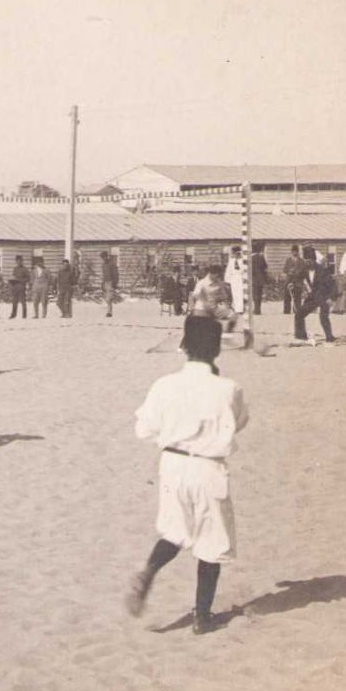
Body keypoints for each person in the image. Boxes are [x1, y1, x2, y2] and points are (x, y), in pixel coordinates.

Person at [125, 316, 247, 636]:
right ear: (216, 350)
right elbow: (239, 422)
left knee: (175, 529)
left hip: (173, 463)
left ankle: (150, 569)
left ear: (184, 346)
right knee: (212, 539)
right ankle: (201, 617)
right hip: (208, 466)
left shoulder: (164, 385)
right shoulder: (229, 388)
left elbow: (144, 429)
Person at [293, 246, 335, 344]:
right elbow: (297, 277)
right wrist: (294, 284)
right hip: (312, 297)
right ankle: (301, 336)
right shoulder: (305, 268)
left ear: (314, 260)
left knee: (323, 317)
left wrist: (331, 298)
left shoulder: (322, 270)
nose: (307, 263)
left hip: (324, 296)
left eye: (309, 261)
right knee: (299, 314)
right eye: (305, 261)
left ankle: (329, 337)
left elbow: (332, 285)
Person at [224, 247, 247, 317]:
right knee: (234, 293)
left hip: (240, 278)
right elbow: (228, 270)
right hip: (233, 278)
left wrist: (245, 278)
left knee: (240, 293)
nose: (236, 255)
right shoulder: (231, 261)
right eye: (234, 254)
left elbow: (245, 270)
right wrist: (227, 280)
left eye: (237, 254)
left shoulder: (243, 261)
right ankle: (236, 309)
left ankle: (240, 309)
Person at [281, 245, 304, 315]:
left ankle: (297, 310)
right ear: (291, 252)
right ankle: (286, 310)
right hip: (289, 280)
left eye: (296, 251)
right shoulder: (288, 260)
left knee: (297, 296)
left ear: (298, 252)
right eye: (293, 251)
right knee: (287, 296)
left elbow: (303, 270)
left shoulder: (301, 261)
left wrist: (297, 272)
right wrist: (289, 271)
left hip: (298, 281)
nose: (294, 253)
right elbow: (284, 269)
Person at [249, 243, 268, 316]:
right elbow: (265, 266)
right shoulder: (261, 257)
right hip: (261, 279)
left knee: (255, 295)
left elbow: (250, 269)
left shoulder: (251, 258)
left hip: (254, 279)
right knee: (259, 294)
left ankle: (256, 310)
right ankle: (258, 309)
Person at [100, 250, 120, 317]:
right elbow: (103, 275)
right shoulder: (103, 265)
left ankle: (109, 312)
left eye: (104, 257)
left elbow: (115, 274)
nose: (103, 258)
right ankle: (108, 311)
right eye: (102, 257)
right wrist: (102, 283)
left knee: (109, 298)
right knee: (107, 298)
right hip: (105, 282)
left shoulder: (112, 264)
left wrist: (115, 283)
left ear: (107, 256)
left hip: (111, 282)